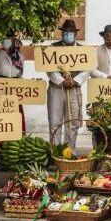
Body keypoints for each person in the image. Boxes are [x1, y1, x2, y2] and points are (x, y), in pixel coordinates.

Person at [47, 20, 89, 151]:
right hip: (56, 89)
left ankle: (69, 151)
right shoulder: (53, 48)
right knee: (55, 121)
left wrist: (76, 80)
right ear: (62, 33)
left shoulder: (83, 50)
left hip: (74, 89)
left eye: (70, 33)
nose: (68, 35)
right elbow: (49, 67)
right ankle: (55, 151)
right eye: (65, 33)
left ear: (75, 34)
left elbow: (88, 69)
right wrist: (61, 80)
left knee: (73, 122)